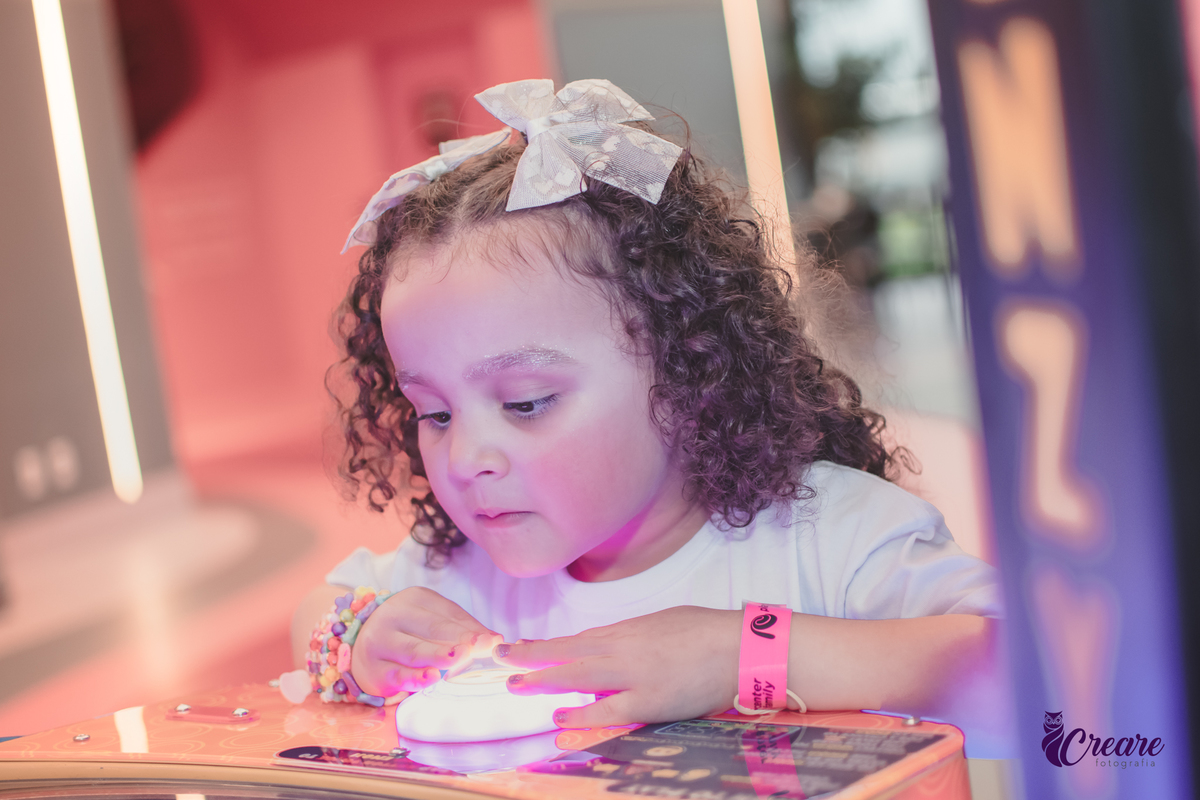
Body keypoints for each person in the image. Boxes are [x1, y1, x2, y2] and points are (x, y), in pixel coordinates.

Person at [292, 78, 1005, 736]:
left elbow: (1023, 669)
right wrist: (359, 639)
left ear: (686, 366)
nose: (467, 458)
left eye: (527, 403)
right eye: (435, 414)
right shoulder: (456, 569)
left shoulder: (826, 538)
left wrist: (741, 655)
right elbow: (317, 615)